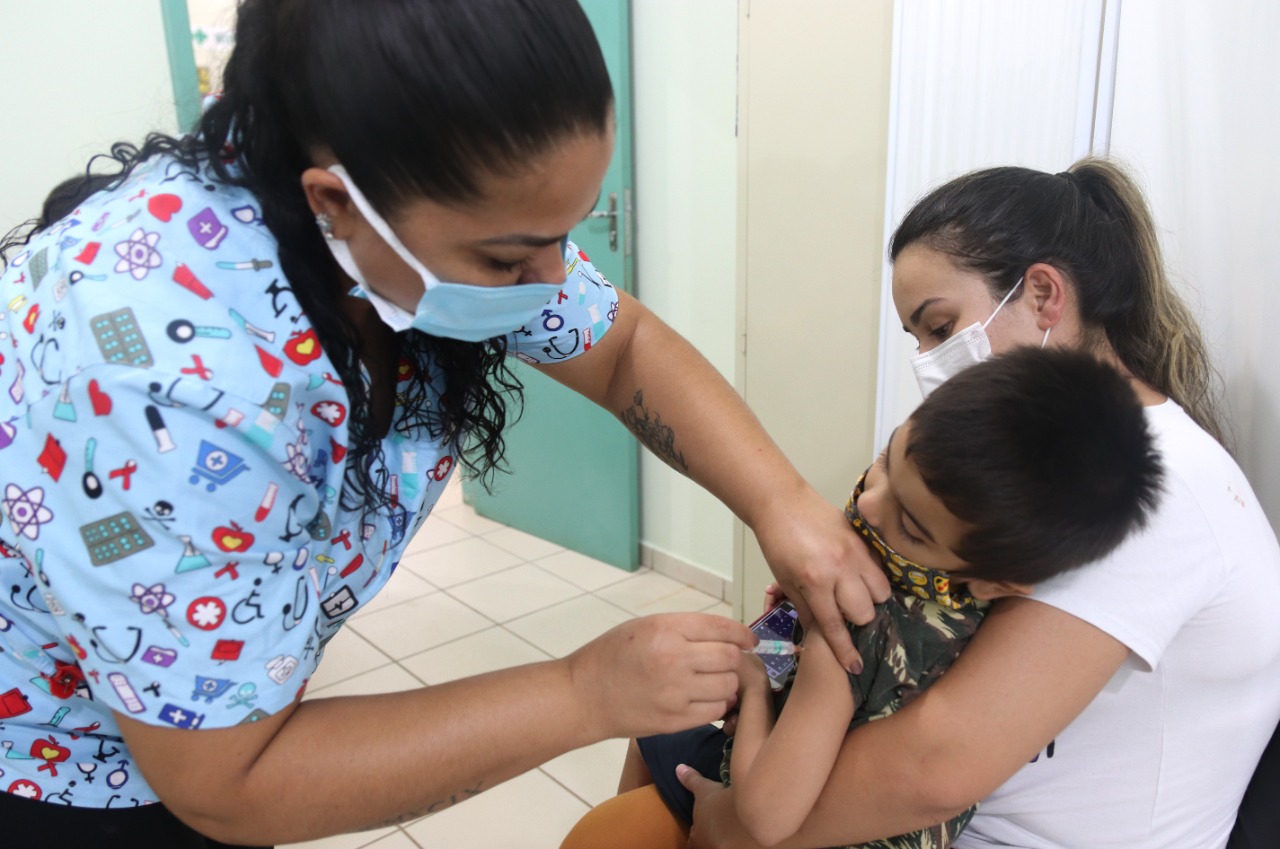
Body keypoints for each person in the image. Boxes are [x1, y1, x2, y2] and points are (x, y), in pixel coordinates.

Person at [0, 2, 888, 846]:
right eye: (506, 259)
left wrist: (785, 507)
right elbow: (227, 778)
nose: (549, 284)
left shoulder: (404, 228)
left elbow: (622, 349)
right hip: (65, 770)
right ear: (336, 203)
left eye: (563, 236)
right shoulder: (158, 377)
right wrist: (582, 692)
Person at [675, 158, 1280, 849]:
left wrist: (733, 822)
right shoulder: (1045, 456)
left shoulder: (1140, 494)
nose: (931, 362)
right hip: (934, 795)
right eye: (919, 339)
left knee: (642, 801)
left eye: (941, 327)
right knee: (664, 737)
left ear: (1046, 295)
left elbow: (932, 766)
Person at [561, 347, 1165, 849]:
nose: (870, 507)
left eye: (911, 526)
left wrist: (752, 683)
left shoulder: (852, 627)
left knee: (651, 749)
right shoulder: (1001, 606)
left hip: (777, 817)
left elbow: (764, 817)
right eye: (886, 463)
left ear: (998, 581)